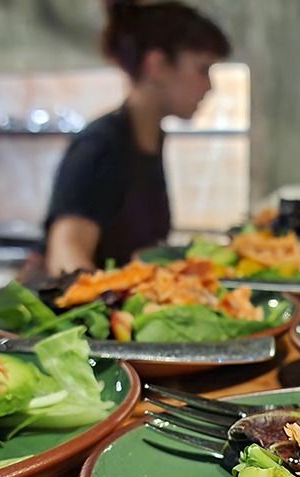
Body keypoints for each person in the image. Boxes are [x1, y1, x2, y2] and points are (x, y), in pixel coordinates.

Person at [42, 0, 230, 276]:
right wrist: (109, 306)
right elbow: (65, 255)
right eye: (202, 69)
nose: (210, 86)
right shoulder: (101, 146)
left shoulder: (151, 138)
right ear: (156, 66)